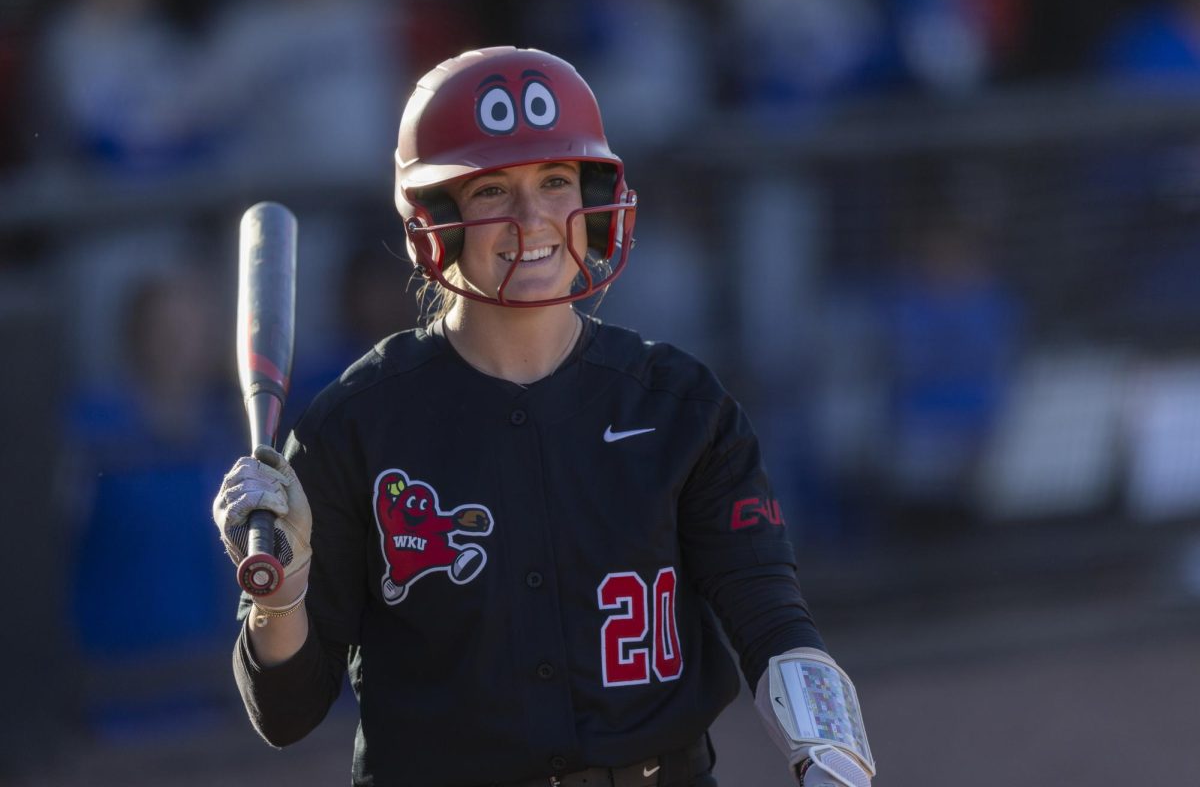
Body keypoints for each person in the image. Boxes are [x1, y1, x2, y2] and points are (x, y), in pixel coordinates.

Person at [213, 46, 875, 787]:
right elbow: (287, 712)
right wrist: (282, 592)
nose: (532, 219)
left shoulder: (682, 404)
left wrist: (830, 756)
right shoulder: (352, 429)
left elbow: (770, 615)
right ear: (437, 218)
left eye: (556, 180)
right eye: (493, 189)